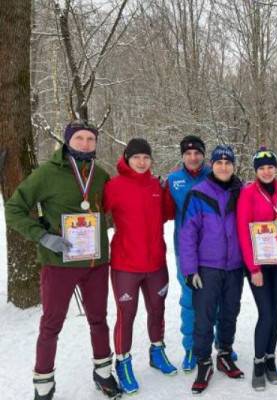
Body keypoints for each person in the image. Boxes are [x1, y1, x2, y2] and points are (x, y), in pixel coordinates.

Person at [4, 120, 120, 400]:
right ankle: (43, 382)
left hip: (95, 263)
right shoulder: (46, 174)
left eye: (91, 139)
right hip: (59, 263)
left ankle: (103, 372)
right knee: (51, 323)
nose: (85, 144)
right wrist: (43, 236)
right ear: (68, 141)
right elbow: (14, 208)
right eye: (79, 138)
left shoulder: (102, 175)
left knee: (98, 319)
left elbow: (114, 211)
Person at [103, 138, 177, 394]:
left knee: (157, 309)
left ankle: (157, 352)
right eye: (137, 158)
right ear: (127, 158)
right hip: (126, 264)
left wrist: (167, 190)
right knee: (127, 315)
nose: (142, 162)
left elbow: (168, 212)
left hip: (156, 262)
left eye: (146, 157)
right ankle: (123, 362)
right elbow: (97, 212)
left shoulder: (157, 185)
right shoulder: (114, 185)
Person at [178, 145, 245, 395]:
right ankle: (203, 361)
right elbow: (188, 234)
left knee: (230, 312)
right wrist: (189, 269)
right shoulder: (198, 193)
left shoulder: (242, 192)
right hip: (207, 267)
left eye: (228, 163)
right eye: (219, 163)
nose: (224, 167)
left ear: (234, 166)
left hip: (235, 266)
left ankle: (225, 353)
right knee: (204, 316)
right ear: (212, 165)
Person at [236, 147, 277, 391]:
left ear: (276, 168)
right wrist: (253, 269)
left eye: (270, 167)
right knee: (266, 313)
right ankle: (258, 362)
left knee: (275, 310)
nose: (266, 171)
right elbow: (243, 231)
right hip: (259, 265)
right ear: (256, 171)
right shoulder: (248, 193)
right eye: (262, 168)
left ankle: (271, 358)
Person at [165, 135, 211, 371]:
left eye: (197, 153)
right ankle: (191, 347)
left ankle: (218, 344)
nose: (193, 158)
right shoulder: (173, 181)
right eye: (188, 154)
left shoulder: (217, 174)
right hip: (186, 251)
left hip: (214, 250)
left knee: (215, 300)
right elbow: (161, 211)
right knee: (190, 300)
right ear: (182, 156)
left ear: (204, 154)